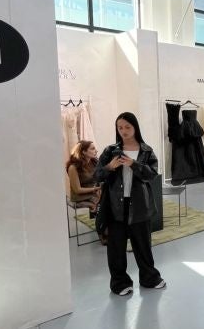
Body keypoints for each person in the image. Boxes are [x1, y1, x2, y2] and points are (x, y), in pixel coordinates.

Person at [95, 112, 165, 296]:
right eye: (120, 127)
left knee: (143, 246)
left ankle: (149, 278)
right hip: (115, 206)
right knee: (116, 248)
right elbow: (96, 175)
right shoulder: (110, 151)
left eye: (127, 127)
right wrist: (110, 167)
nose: (123, 131)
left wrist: (134, 164)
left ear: (135, 127)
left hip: (140, 206)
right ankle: (119, 283)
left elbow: (151, 175)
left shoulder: (146, 151)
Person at [66, 140, 101, 213]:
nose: (96, 151)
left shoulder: (94, 163)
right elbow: (77, 190)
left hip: (94, 197)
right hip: (81, 200)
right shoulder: (73, 167)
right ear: (84, 152)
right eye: (92, 149)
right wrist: (95, 189)